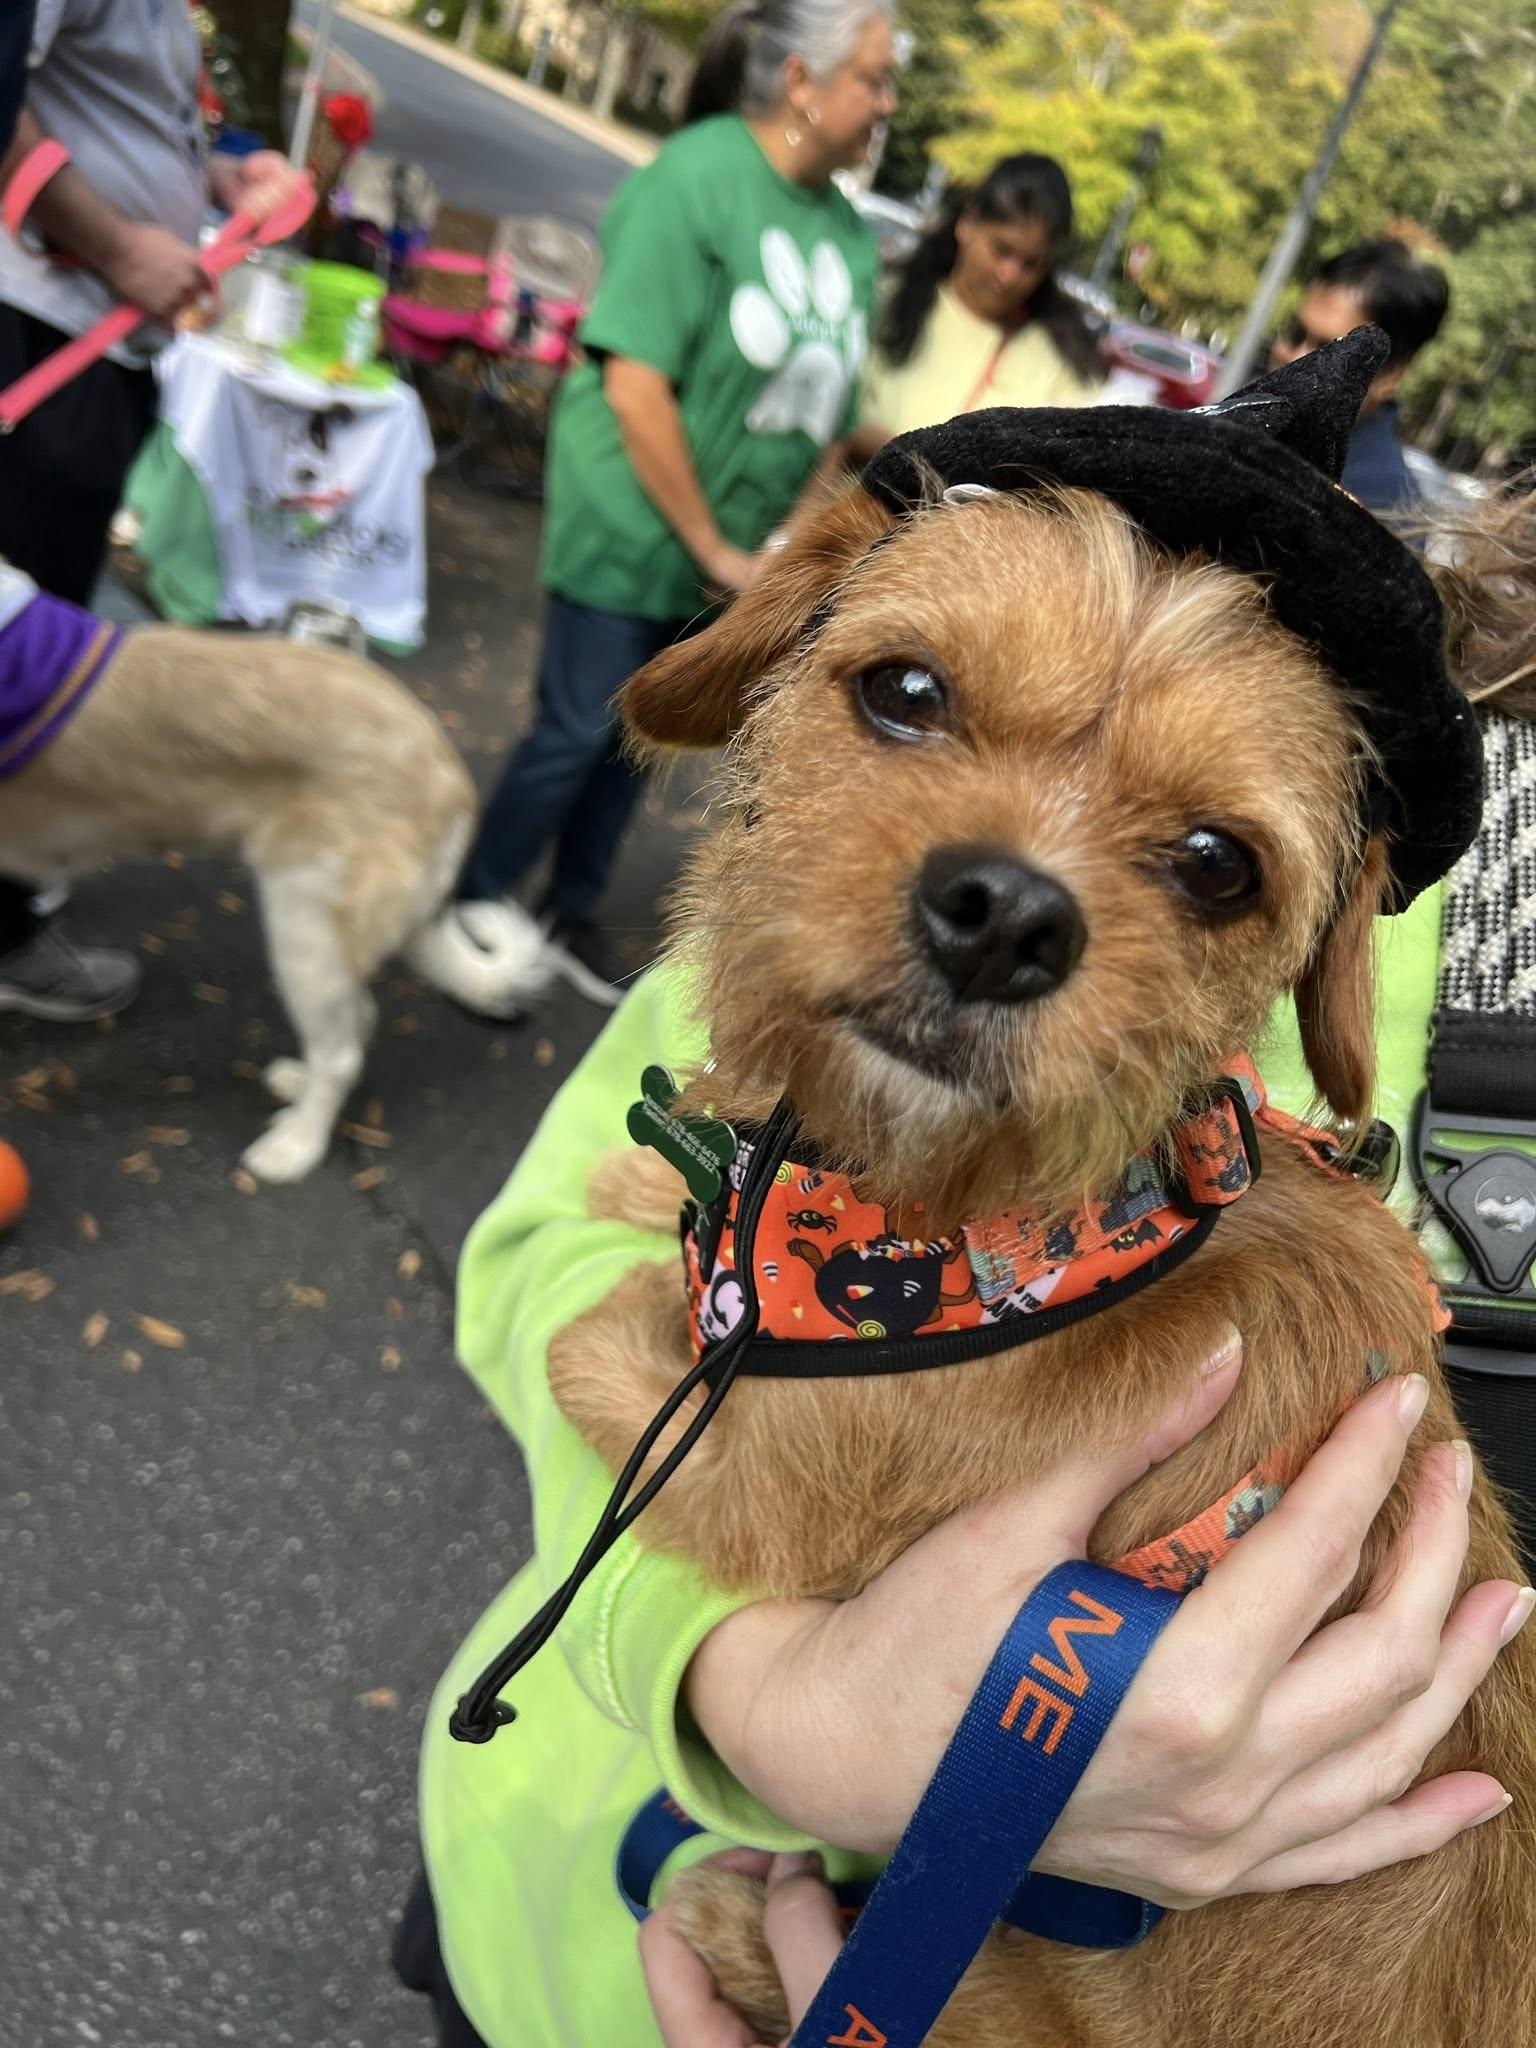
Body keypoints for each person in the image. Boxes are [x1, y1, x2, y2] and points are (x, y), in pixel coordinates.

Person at [398, 965, 1525, 2048]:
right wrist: (751, 1688)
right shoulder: (827, 903)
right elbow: (567, 1221)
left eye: (1206, 866)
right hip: (539, 1861)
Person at [437, 0, 894, 1012]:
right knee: (576, 727)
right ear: (803, 84)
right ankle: (472, 896)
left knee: (647, 734)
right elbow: (635, 383)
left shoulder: (849, 239)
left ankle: (569, 909)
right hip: (637, 521)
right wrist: (713, 548)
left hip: (735, 548)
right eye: (874, 77)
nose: (887, 103)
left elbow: (829, 412)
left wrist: (783, 542)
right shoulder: (693, 180)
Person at [0, 0, 299, 1023]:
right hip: (46, 340)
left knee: (38, 644)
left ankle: (11, 910)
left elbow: (115, 110)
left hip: (89, 346)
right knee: (21, 656)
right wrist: (123, 245)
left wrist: (220, 178)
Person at [857, 152, 1102, 450]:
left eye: (1030, 264)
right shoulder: (885, 300)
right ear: (968, 223)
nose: (1009, 275)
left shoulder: (1061, 361)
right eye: (1001, 250)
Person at [1268, 238, 1448, 519]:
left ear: (1390, 375)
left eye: (1328, 351)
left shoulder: (1380, 507)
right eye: (1295, 333)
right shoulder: (1252, 431)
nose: (1296, 358)